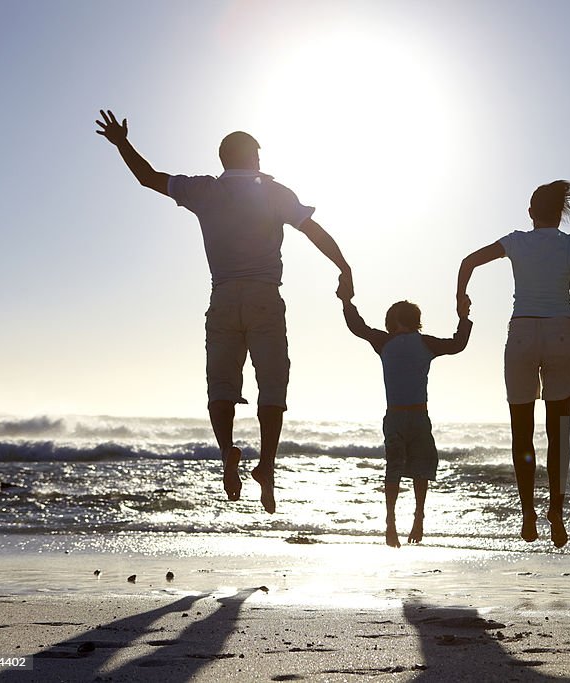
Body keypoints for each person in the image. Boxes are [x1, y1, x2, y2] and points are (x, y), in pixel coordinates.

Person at [95, 109, 353, 514]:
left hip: (223, 297)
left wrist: (122, 143)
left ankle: (227, 453)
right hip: (265, 297)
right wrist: (344, 267)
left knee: (220, 387)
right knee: (273, 386)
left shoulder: (203, 190)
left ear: (222, 159)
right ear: (252, 157)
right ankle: (266, 466)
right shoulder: (275, 192)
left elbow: (148, 177)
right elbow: (313, 231)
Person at [456, 181, 570, 548]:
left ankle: (528, 513)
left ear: (530, 213)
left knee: (521, 431)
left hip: (522, 332)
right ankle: (556, 510)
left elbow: (467, 262)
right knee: (558, 434)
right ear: (560, 215)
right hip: (561, 332)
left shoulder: (516, 241)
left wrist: (461, 300)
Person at [337, 289, 472, 547]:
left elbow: (358, 327)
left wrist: (346, 302)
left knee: (403, 470)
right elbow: (458, 344)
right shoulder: (405, 342)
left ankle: (408, 519)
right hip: (413, 415)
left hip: (404, 416)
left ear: (394, 320)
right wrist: (463, 319)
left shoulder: (393, 342)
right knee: (410, 470)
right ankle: (401, 521)